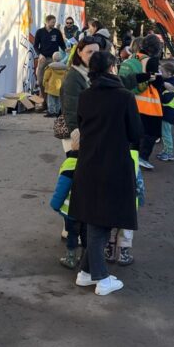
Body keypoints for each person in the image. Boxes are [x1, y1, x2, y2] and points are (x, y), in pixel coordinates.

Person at [68, 51, 141, 296]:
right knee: (102, 220)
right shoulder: (125, 96)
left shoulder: (86, 96)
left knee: (95, 215)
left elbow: (81, 124)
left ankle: (86, 272)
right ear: (111, 68)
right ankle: (101, 277)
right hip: (115, 164)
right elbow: (135, 133)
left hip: (88, 162)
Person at [119, 33, 165, 171]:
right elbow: (157, 82)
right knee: (151, 132)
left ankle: (132, 155)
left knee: (135, 130)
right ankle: (143, 157)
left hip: (132, 100)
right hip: (148, 103)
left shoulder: (133, 57)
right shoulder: (151, 61)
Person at [49, 129, 83, 269]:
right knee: (87, 234)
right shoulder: (93, 162)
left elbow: (62, 187)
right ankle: (86, 257)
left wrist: (55, 204)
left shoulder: (69, 163)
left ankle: (71, 258)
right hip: (88, 209)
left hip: (70, 210)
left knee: (72, 235)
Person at [59, 37, 98, 154]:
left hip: (89, 130)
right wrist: (76, 134)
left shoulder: (91, 72)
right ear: (79, 52)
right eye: (89, 52)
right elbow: (70, 109)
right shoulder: (74, 76)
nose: (93, 56)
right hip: (77, 134)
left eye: (96, 52)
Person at [34, 15, 66, 100]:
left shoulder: (57, 32)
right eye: (52, 22)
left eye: (54, 22)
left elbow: (62, 44)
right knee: (40, 81)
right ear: (47, 22)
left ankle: (51, 102)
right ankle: (45, 101)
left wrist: (66, 50)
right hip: (43, 59)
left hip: (53, 60)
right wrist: (40, 55)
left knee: (53, 82)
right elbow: (35, 46)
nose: (54, 24)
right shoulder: (40, 32)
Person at [158, 60, 174, 162]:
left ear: (169, 73)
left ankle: (169, 153)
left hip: (168, 113)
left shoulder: (172, 84)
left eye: (162, 71)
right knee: (165, 133)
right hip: (168, 112)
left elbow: (166, 99)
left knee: (166, 134)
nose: (160, 73)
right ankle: (166, 151)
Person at [42, 51, 69, 118]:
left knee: (51, 100)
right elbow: (66, 77)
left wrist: (44, 83)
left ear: (53, 58)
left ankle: (51, 112)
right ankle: (57, 112)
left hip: (51, 86)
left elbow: (46, 76)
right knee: (58, 100)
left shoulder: (50, 67)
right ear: (61, 58)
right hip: (60, 86)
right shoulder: (65, 68)